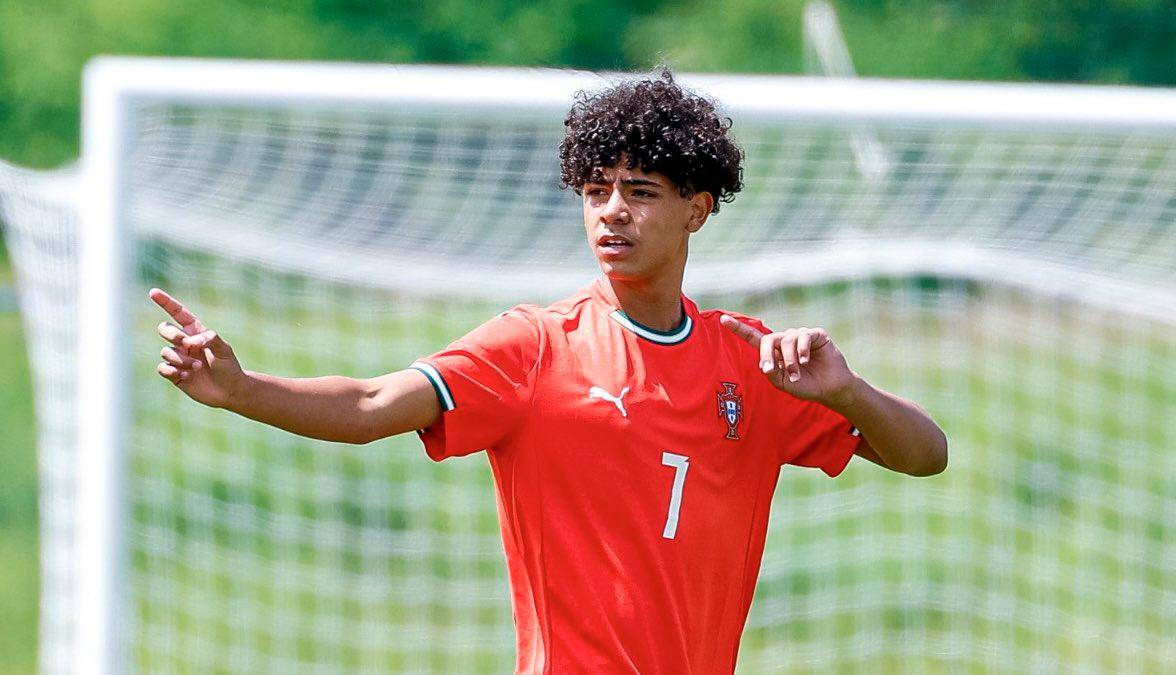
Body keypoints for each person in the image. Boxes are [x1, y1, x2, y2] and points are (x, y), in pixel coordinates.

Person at [152, 70, 947, 674]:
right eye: (596, 191)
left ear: (697, 209)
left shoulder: (749, 360)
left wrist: (848, 392)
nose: (612, 211)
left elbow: (925, 453)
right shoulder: (534, 346)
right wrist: (242, 389)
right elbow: (370, 403)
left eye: (639, 191)